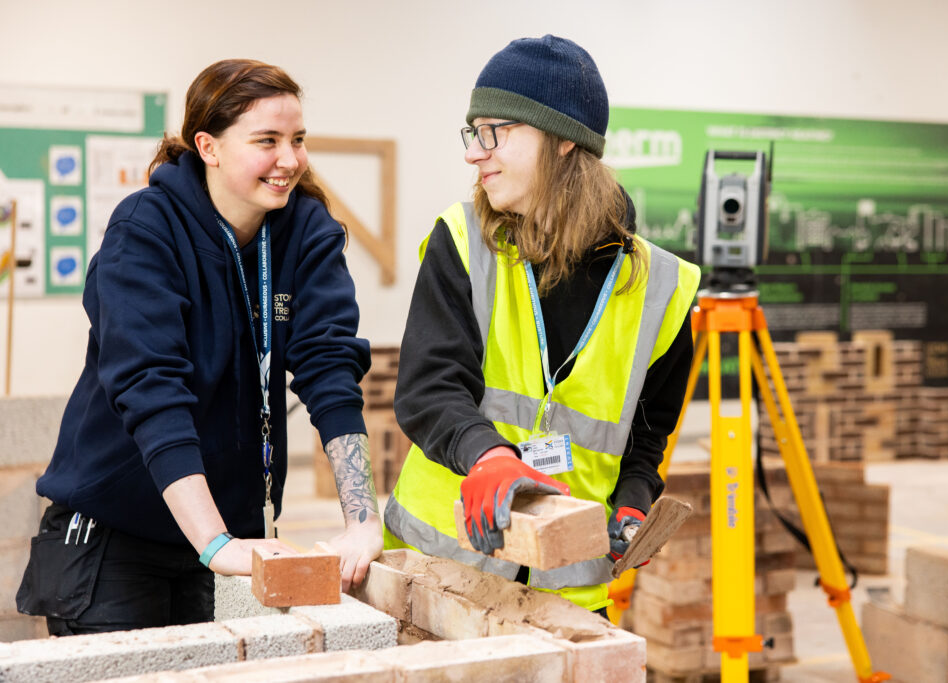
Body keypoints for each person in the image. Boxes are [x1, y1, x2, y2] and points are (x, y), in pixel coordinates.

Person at [17, 59, 382, 635]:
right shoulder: (145, 229)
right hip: (117, 539)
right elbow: (152, 388)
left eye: (298, 140)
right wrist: (213, 542)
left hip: (225, 538)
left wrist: (362, 518)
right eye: (267, 141)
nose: (290, 160)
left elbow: (330, 367)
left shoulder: (306, 231)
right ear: (208, 146)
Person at [382, 35, 700, 614]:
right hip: (439, 578)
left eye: (494, 131)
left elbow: (648, 433)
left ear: (561, 142)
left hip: (569, 597)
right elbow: (429, 387)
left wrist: (634, 498)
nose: (474, 152)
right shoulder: (462, 243)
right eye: (472, 132)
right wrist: (488, 456)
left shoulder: (662, 288)